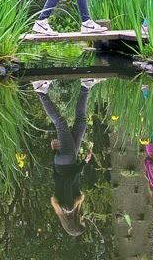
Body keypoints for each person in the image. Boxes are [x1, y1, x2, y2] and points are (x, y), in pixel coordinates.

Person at [32, 78, 101, 236]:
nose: (84, 218)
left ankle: (41, 92)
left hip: (69, 162)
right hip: (62, 162)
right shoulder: (61, 207)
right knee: (81, 123)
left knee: (61, 123)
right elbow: (56, 177)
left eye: (82, 221)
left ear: (76, 221)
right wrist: (54, 154)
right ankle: (85, 85)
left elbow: (70, 178)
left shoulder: (69, 206)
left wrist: (84, 162)